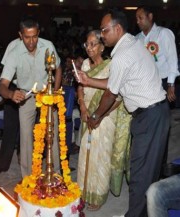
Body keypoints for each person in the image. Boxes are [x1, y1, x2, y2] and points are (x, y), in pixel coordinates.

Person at [75, 9, 170, 217]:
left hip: (150, 116)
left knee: (139, 175)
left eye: (104, 30)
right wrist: (89, 81)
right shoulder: (131, 44)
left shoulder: (122, 55)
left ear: (117, 29)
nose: (102, 34)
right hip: (154, 114)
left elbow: (110, 94)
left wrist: (95, 116)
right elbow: (115, 82)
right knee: (147, 173)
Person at [0, 16, 62, 177]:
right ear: (20, 35)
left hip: (47, 95)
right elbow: (2, 85)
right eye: (27, 37)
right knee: (26, 138)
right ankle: (28, 179)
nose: (31, 41)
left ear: (38, 33)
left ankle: (56, 174)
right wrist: (11, 94)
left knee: (52, 134)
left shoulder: (48, 46)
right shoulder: (14, 52)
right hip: (26, 96)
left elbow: (58, 68)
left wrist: (54, 92)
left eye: (34, 36)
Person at [76, 30, 131, 211]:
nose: (89, 48)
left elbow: (119, 96)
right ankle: (83, 192)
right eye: (87, 44)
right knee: (86, 155)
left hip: (105, 118)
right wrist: (83, 107)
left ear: (101, 47)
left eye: (93, 44)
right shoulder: (84, 64)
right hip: (87, 116)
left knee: (100, 158)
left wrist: (101, 115)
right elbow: (80, 88)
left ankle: (98, 196)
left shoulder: (112, 66)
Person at [0, 39, 21, 177]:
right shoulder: (12, 45)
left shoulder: (38, 44)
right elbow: (5, 68)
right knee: (9, 129)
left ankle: (27, 167)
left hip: (30, 89)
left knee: (29, 132)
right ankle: (2, 165)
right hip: (12, 88)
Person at [136, 6, 179, 101]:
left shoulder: (163, 33)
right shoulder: (137, 38)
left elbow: (172, 60)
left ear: (150, 16)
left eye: (140, 18)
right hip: (146, 83)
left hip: (164, 81)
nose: (138, 21)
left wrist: (171, 84)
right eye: (136, 19)